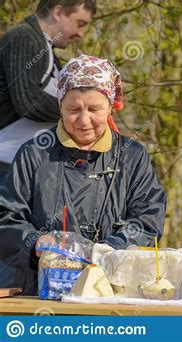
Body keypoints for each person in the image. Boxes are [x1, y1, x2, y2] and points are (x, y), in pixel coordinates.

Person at [0, 54, 166, 295]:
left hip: (111, 289)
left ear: (110, 105)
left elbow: (149, 217)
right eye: (74, 109)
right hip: (37, 288)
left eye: (94, 109)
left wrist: (112, 248)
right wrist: (34, 241)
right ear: (60, 106)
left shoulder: (132, 156)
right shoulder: (34, 154)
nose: (84, 120)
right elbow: (5, 215)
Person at [0, 0, 96, 176]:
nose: (81, 34)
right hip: (6, 166)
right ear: (58, 12)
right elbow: (29, 101)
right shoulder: (23, 37)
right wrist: (82, 113)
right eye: (80, 24)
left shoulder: (46, 50)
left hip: (27, 168)